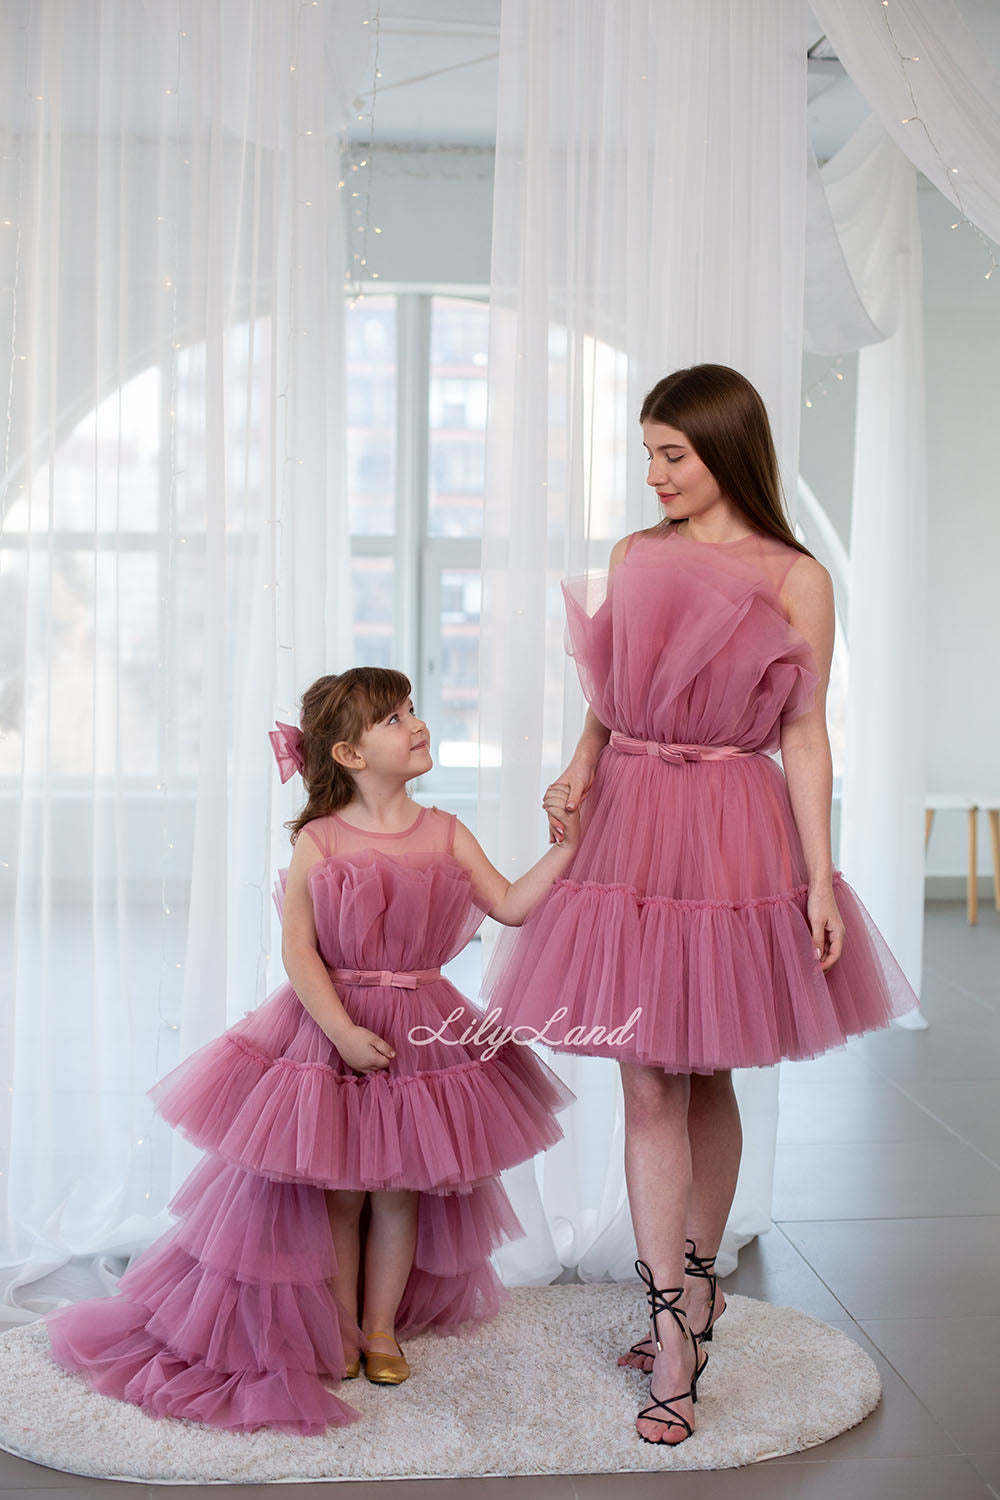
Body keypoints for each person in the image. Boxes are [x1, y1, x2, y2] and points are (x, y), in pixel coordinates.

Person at [483, 364, 919, 1446]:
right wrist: (581, 762)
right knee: (645, 1082)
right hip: (631, 815)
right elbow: (607, 686)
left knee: (707, 1060)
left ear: (726, 446)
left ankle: (698, 1277)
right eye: (648, 453)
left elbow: (807, 733)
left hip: (730, 818)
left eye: (671, 453)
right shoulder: (636, 556)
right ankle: (672, 1322)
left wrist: (820, 878)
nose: (654, 474)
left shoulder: (794, 575)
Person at [46, 667, 578, 1434]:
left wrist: (568, 848)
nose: (415, 723)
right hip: (332, 1028)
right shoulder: (319, 840)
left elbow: (512, 906)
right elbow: (299, 951)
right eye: (394, 718)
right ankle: (333, 1327)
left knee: (402, 1190)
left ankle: (381, 1328)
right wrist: (339, 1031)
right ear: (350, 754)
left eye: (412, 710)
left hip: (422, 1028)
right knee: (342, 1193)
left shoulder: (448, 831)